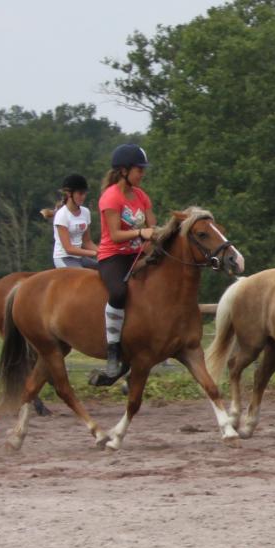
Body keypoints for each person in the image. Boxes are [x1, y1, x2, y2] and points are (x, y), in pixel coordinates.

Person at [92, 144, 157, 386]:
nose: (142, 174)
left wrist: (154, 243)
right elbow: (116, 235)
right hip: (114, 256)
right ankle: (113, 349)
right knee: (119, 292)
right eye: (139, 169)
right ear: (124, 171)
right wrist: (141, 232)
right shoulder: (110, 197)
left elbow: (153, 228)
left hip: (138, 254)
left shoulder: (141, 196)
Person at [50, 174, 100, 269]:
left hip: (80, 258)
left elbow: (87, 242)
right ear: (69, 194)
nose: (83, 197)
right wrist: (94, 253)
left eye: (85, 193)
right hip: (64, 258)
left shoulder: (86, 212)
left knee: (106, 269)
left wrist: (103, 252)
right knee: (83, 276)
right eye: (80, 194)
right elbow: (68, 249)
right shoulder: (62, 215)